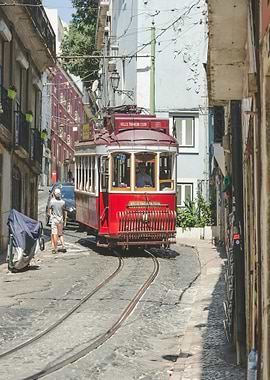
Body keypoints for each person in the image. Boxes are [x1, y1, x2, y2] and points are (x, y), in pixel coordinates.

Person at [49, 188, 66, 254]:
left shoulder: (52, 201)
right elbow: (64, 212)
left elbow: (50, 209)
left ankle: (55, 248)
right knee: (60, 234)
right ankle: (63, 245)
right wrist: (64, 220)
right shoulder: (63, 202)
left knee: (55, 234)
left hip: (54, 219)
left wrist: (50, 216)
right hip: (60, 219)